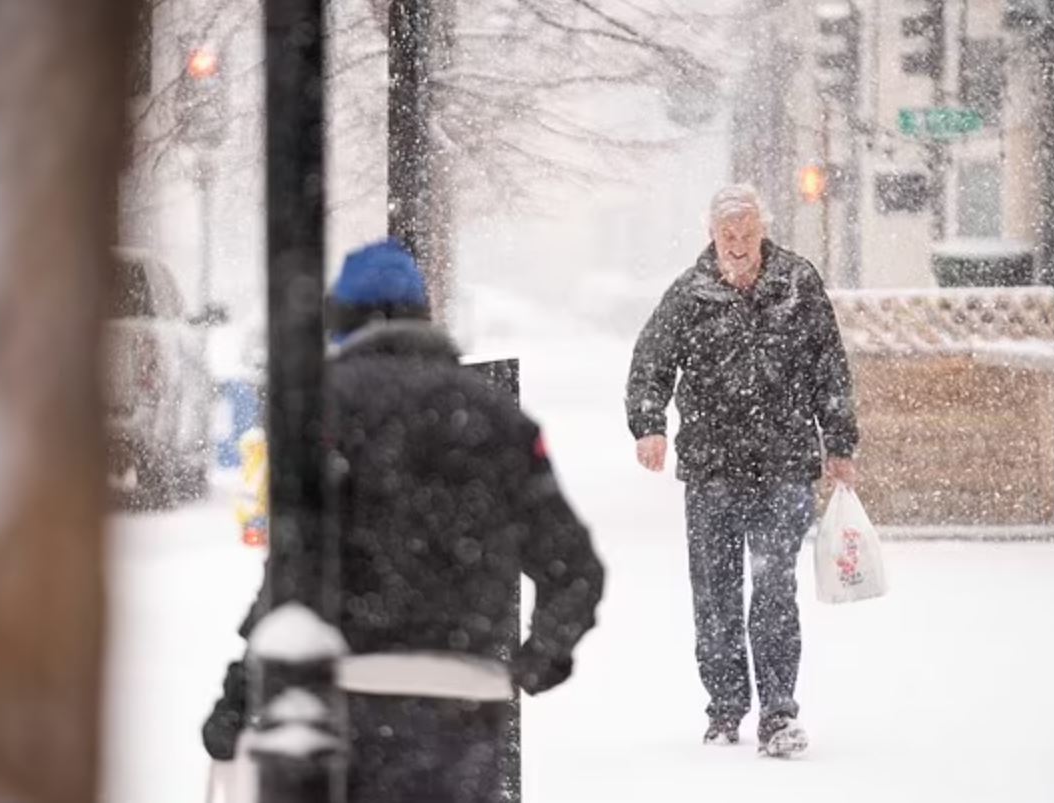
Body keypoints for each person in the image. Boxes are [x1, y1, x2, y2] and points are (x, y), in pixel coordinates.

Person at [202, 239, 605, 801]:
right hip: (468, 708)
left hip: (347, 702)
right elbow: (575, 568)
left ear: (340, 319)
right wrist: (539, 661)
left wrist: (237, 698)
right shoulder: (498, 419)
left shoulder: (322, 411)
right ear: (423, 315)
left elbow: (295, 570)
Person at [625, 184, 857, 757]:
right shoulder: (690, 294)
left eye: (747, 234)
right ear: (712, 234)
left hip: (783, 465)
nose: (737, 245)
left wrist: (840, 440)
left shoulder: (797, 285)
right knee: (716, 593)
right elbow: (650, 364)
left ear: (763, 231)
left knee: (775, 586)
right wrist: (649, 424)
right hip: (711, 470)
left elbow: (829, 365)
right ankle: (726, 708)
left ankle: (778, 713)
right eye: (727, 235)